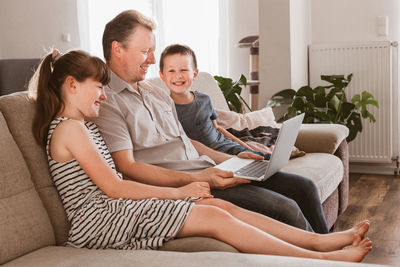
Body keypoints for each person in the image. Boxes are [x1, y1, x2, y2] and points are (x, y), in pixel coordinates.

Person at [30, 49, 372, 262]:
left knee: (218, 205)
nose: (103, 95)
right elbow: (115, 187)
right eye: (98, 87)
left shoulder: (81, 126)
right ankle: (323, 257)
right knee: (216, 217)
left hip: (112, 211)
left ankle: (320, 241)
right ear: (72, 85)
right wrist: (179, 192)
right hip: (98, 221)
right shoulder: (69, 129)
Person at [90, 9, 328, 234]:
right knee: (285, 209)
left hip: (210, 171)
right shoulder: (106, 100)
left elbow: (187, 141)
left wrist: (234, 159)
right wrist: (199, 178)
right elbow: (128, 167)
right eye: (145, 51)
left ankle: (333, 248)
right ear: (117, 48)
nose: (152, 59)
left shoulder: (156, 92)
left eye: (153, 50)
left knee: (304, 187)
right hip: (188, 185)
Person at [159, 44, 270, 160]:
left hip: (230, 148)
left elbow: (218, 128)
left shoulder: (204, 99)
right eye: (171, 71)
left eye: (184, 70)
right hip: (212, 158)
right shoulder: (165, 108)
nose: (178, 75)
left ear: (194, 74)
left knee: (266, 161)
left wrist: (247, 147)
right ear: (162, 76)